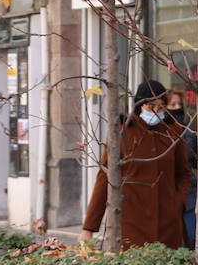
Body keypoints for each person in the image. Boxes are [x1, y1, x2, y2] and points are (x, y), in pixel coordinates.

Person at [81, 80, 191, 249]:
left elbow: (183, 173)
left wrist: (178, 203)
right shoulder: (122, 131)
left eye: (161, 106)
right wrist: (89, 227)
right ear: (139, 106)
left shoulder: (173, 131)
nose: (156, 111)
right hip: (131, 222)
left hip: (168, 223)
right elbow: (105, 177)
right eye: (151, 106)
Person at [165, 89, 198, 244]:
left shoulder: (189, 130)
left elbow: (191, 157)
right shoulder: (159, 132)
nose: (177, 107)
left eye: (179, 104)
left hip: (187, 192)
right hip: (166, 191)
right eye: (173, 104)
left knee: (190, 237)